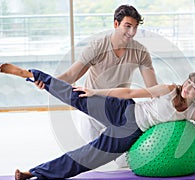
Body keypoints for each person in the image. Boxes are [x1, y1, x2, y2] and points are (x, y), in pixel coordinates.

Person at [0, 63, 195, 180]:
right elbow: (133, 93)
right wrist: (97, 93)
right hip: (125, 109)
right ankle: (33, 75)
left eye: (194, 86)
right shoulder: (169, 89)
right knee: (78, 95)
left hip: (130, 133)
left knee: (85, 157)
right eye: (189, 81)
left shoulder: (193, 114)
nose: (188, 86)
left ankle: (34, 172)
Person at [35, 5, 158, 167]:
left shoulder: (140, 52)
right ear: (116, 24)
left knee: (123, 163)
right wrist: (48, 83)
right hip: (93, 110)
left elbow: (153, 89)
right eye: (127, 26)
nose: (132, 32)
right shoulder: (97, 47)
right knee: (93, 159)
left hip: (118, 112)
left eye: (135, 27)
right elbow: (72, 75)